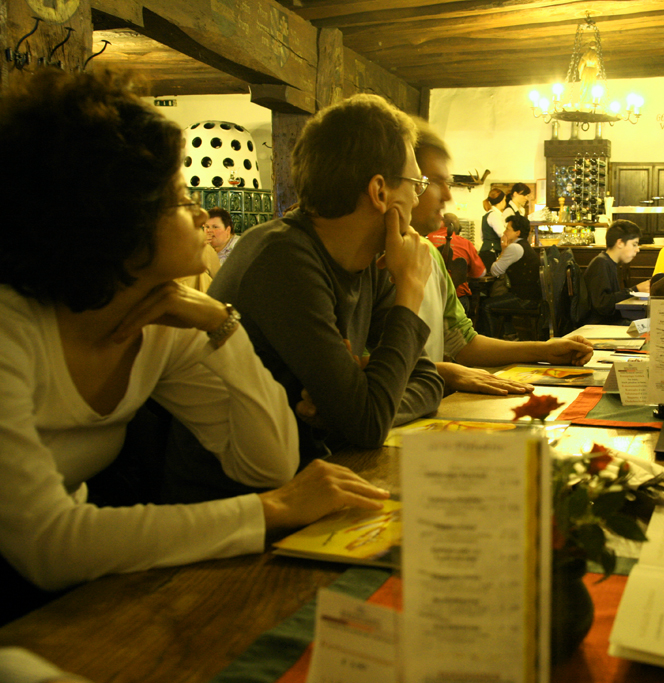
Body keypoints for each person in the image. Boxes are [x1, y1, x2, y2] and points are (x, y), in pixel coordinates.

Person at [0, 69, 388, 623]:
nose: (203, 214)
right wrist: (272, 509)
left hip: (69, 593)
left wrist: (223, 324)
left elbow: (268, 463)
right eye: (181, 198)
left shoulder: (163, 322)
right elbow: (47, 543)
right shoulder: (11, 329)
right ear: (116, 218)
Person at [209, 94, 444, 464]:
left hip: (309, 471)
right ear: (379, 192)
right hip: (243, 490)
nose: (417, 198)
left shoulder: (370, 261)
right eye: (416, 183)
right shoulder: (282, 260)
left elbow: (428, 382)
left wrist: (354, 410)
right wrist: (411, 289)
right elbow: (368, 423)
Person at [408, 120, 594, 393]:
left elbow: (463, 342)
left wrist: (544, 350)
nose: (448, 195)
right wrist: (443, 373)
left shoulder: (429, 255)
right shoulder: (363, 266)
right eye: (433, 182)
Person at [582, 219, 650, 324]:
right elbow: (602, 305)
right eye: (634, 244)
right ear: (620, 243)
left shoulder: (610, 263)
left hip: (609, 321)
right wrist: (635, 290)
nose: (637, 249)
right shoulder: (601, 263)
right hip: (600, 325)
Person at [480, 188, 506, 257]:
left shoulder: (488, 214)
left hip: (486, 250)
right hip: (492, 251)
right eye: (504, 200)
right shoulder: (494, 215)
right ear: (501, 201)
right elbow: (502, 234)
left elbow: (482, 236)